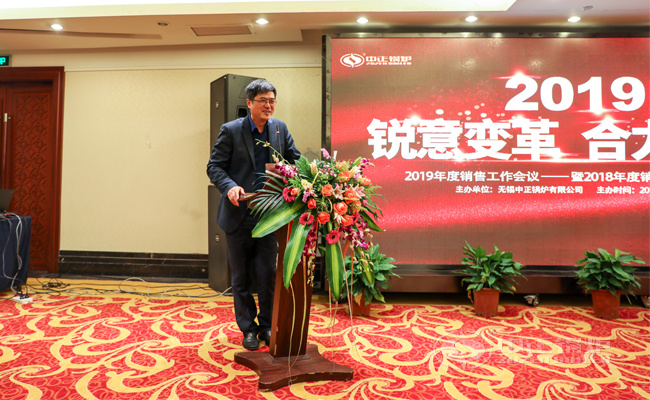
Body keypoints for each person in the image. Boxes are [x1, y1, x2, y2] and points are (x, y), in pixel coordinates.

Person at [206, 79, 301, 351]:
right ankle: (248, 329)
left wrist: (300, 180)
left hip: (269, 215)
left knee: (267, 274)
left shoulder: (280, 129)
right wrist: (229, 187)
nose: (268, 106)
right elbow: (214, 167)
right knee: (241, 278)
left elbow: (295, 161)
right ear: (249, 103)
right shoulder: (231, 130)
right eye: (263, 101)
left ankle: (268, 326)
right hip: (239, 214)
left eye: (272, 101)